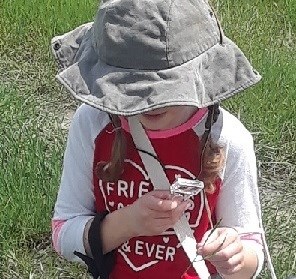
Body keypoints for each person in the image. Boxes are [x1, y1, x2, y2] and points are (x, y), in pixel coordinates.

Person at [51, 0, 272, 278]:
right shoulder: (92, 123)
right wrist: (129, 223)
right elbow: (62, 234)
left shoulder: (228, 138)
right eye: (130, 87)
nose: (149, 102)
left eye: (166, 89)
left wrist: (237, 258)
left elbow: (251, 247)